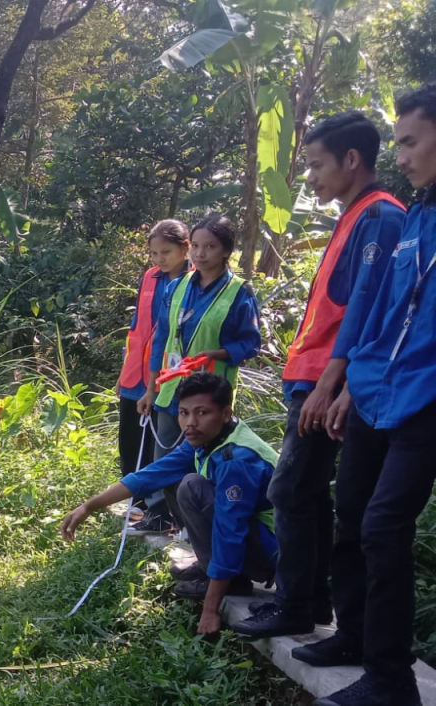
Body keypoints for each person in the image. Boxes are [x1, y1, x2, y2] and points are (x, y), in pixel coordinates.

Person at [234, 112, 406, 639]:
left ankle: (298, 604)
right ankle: (310, 602)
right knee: (306, 492)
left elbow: (369, 310)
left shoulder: (379, 216)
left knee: (293, 489)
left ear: (352, 160)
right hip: (313, 377)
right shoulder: (356, 215)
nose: (308, 178)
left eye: (315, 165)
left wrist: (333, 385)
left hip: (327, 382)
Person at [294, 83, 436, 706]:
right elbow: (378, 312)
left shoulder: (385, 213)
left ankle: (390, 678)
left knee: (383, 527)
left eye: (409, 141)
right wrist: (350, 383)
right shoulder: (419, 215)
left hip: (426, 402)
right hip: (378, 392)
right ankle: (351, 635)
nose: (400, 155)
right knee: (351, 511)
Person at [62, 373, 278, 636]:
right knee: (173, 480)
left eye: (202, 413)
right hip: (254, 539)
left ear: (225, 413)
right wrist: (89, 506)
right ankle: (215, 569)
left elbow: (229, 533)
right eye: (184, 413)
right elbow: (149, 475)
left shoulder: (237, 459)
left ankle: (225, 579)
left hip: (274, 554)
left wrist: (210, 610)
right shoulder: (210, 437)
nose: (191, 423)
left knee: (191, 486)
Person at [135, 214, 262, 533]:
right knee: (163, 456)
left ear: (225, 251)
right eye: (197, 246)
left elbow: (250, 343)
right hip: (171, 387)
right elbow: (162, 339)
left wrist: (216, 354)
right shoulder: (176, 287)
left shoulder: (238, 292)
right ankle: (162, 516)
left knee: (203, 460)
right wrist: (150, 388)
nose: (201, 253)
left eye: (211, 246)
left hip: (210, 392)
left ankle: (200, 530)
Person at [117, 220, 191, 517]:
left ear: (185, 249)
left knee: (159, 443)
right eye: (154, 253)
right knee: (130, 437)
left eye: (167, 252)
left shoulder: (194, 281)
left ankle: (160, 509)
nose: (160, 259)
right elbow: (137, 326)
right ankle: (135, 501)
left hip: (167, 376)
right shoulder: (150, 277)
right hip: (135, 372)